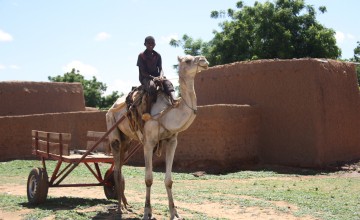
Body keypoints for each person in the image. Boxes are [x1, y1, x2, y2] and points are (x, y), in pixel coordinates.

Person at [137, 36, 178, 121]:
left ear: (155, 44)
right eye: (149, 43)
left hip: (157, 77)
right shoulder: (141, 56)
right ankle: (147, 111)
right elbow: (143, 72)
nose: (151, 45)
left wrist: (161, 76)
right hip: (146, 78)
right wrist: (153, 78)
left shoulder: (157, 55)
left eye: (152, 43)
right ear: (145, 44)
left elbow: (161, 68)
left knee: (168, 83)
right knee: (152, 86)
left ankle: (174, 100)